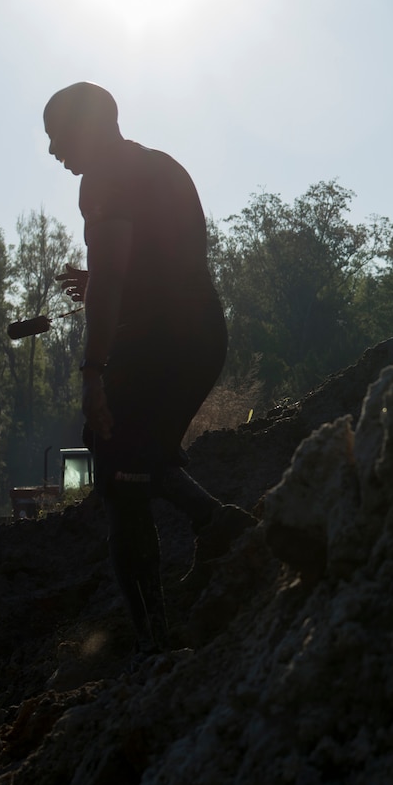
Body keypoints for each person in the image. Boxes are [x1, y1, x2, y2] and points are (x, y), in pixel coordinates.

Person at [44, 81, 253, 653]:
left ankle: (153, 646)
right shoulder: (162, 165)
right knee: (138, 451)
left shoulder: (103, 179)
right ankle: (221, 527)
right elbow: (164, 264)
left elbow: (114, 277)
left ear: (88, 128)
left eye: (57, 136)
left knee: (115, 464)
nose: (53, 151)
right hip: (203, 334)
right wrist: (101, 285)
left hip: (160, 342)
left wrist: (92, 372)